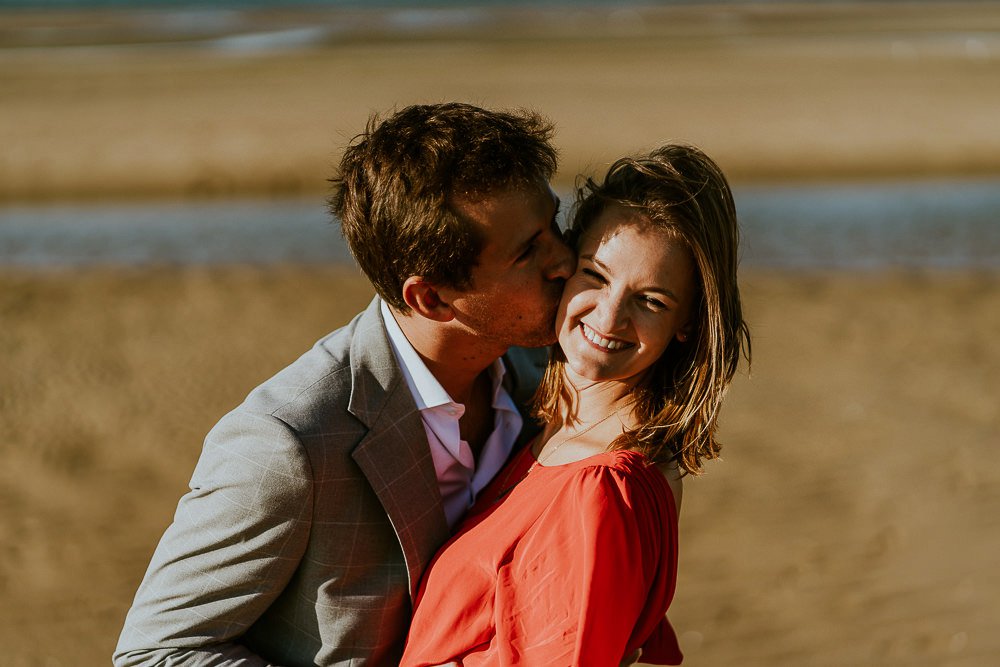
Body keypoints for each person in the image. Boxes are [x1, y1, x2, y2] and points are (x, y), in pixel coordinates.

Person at [113, 103, 574, 666]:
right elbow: (157, 652)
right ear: (429, 297)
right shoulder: (287, 443)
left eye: (554, 223)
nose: (565, 260)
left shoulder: (551, 376)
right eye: (529, 251)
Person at [400, 143, 751, 666]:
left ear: (688, 325)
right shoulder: (552, 431)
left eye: (651, 300)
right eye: (597, 274)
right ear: (564, 265)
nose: (609, 318)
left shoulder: (603, 488)